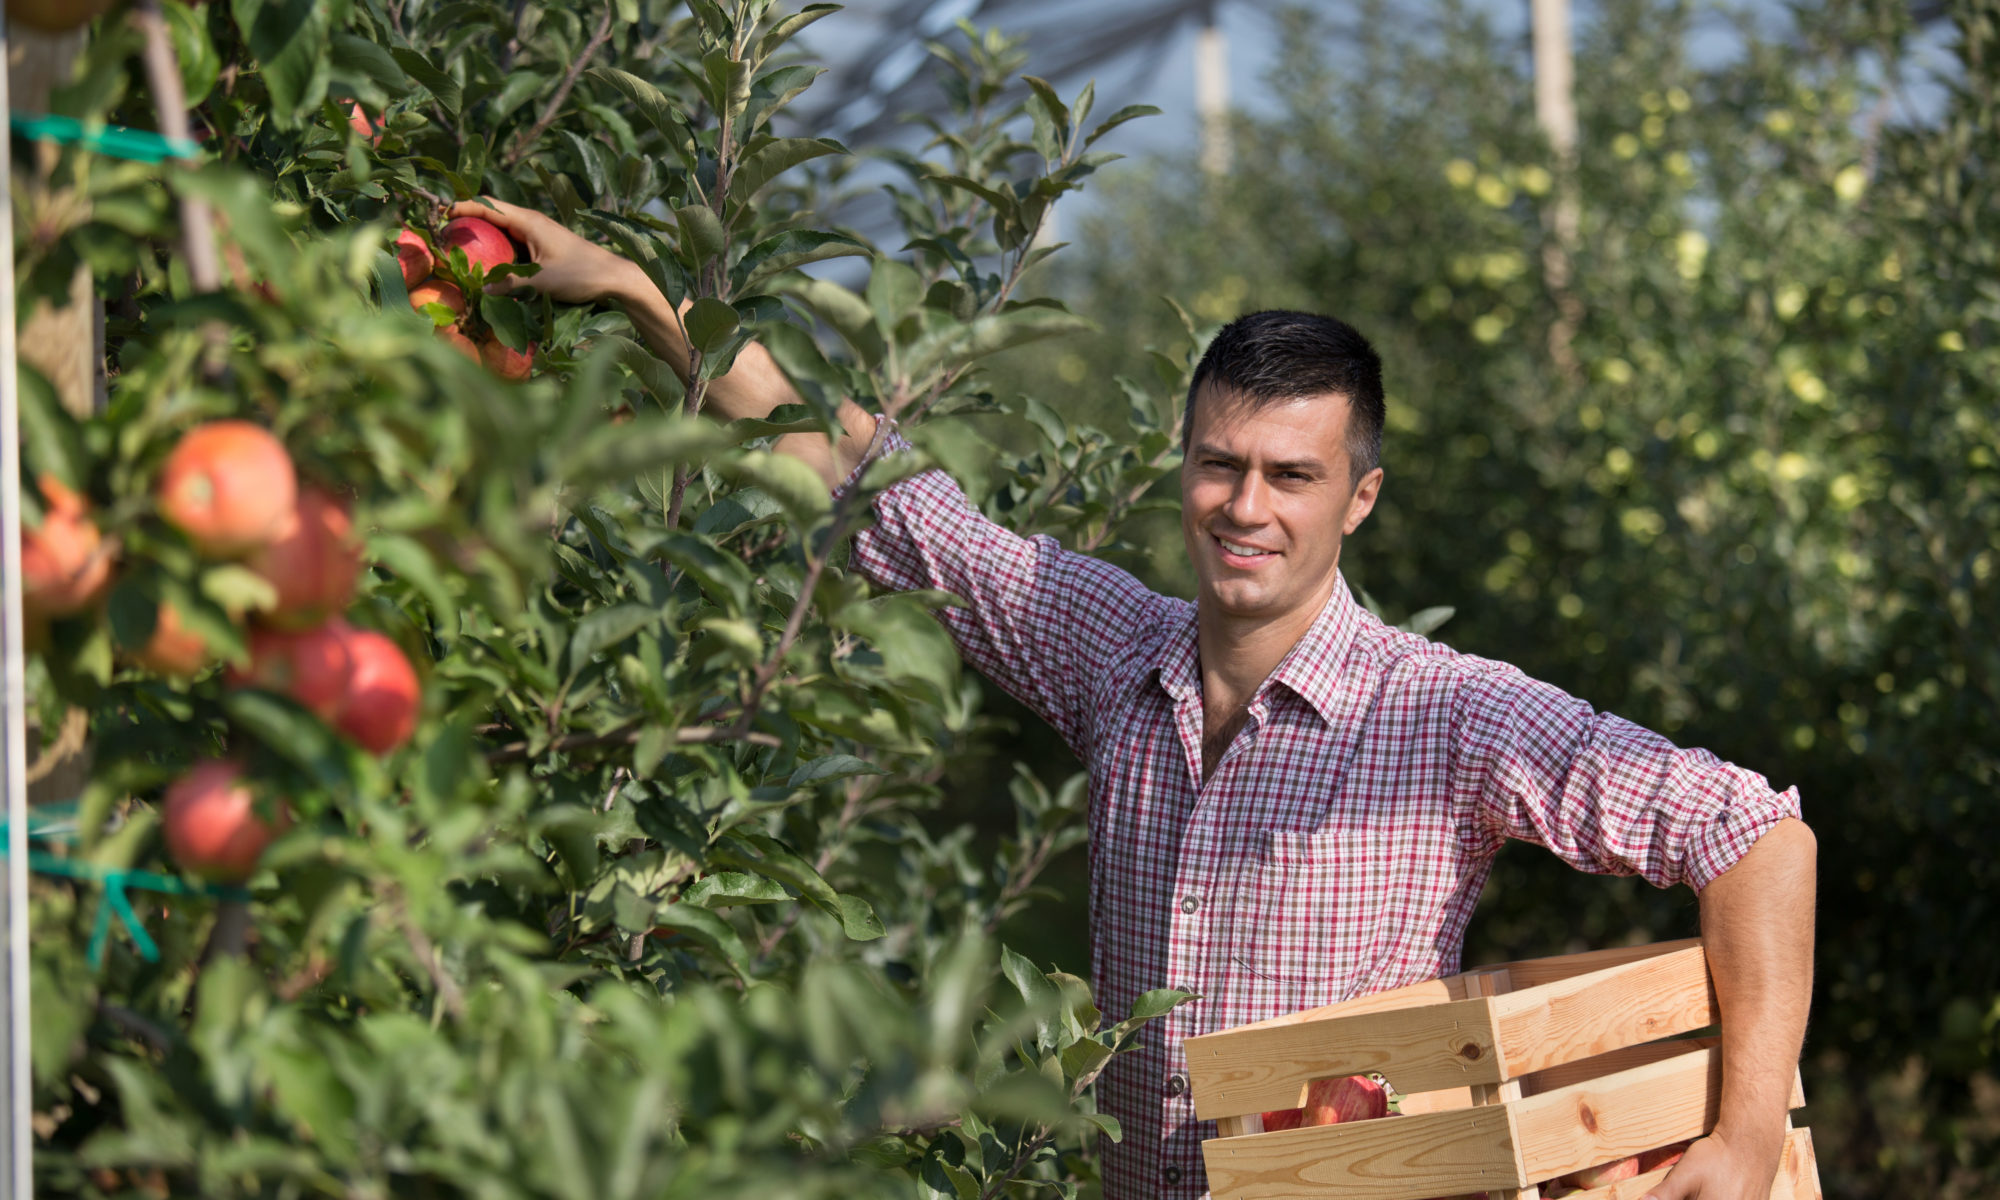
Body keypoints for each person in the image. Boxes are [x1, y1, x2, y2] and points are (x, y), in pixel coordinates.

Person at [453, 197, 1817, 1200]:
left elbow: (1755, 837)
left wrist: (1745, 1134)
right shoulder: (1109, 643)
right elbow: (872, 486)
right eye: (1221, 464)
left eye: (1292, 476)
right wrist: (638, 295)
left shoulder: (1445, 715)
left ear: (1361, 498)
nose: (1246, 505)